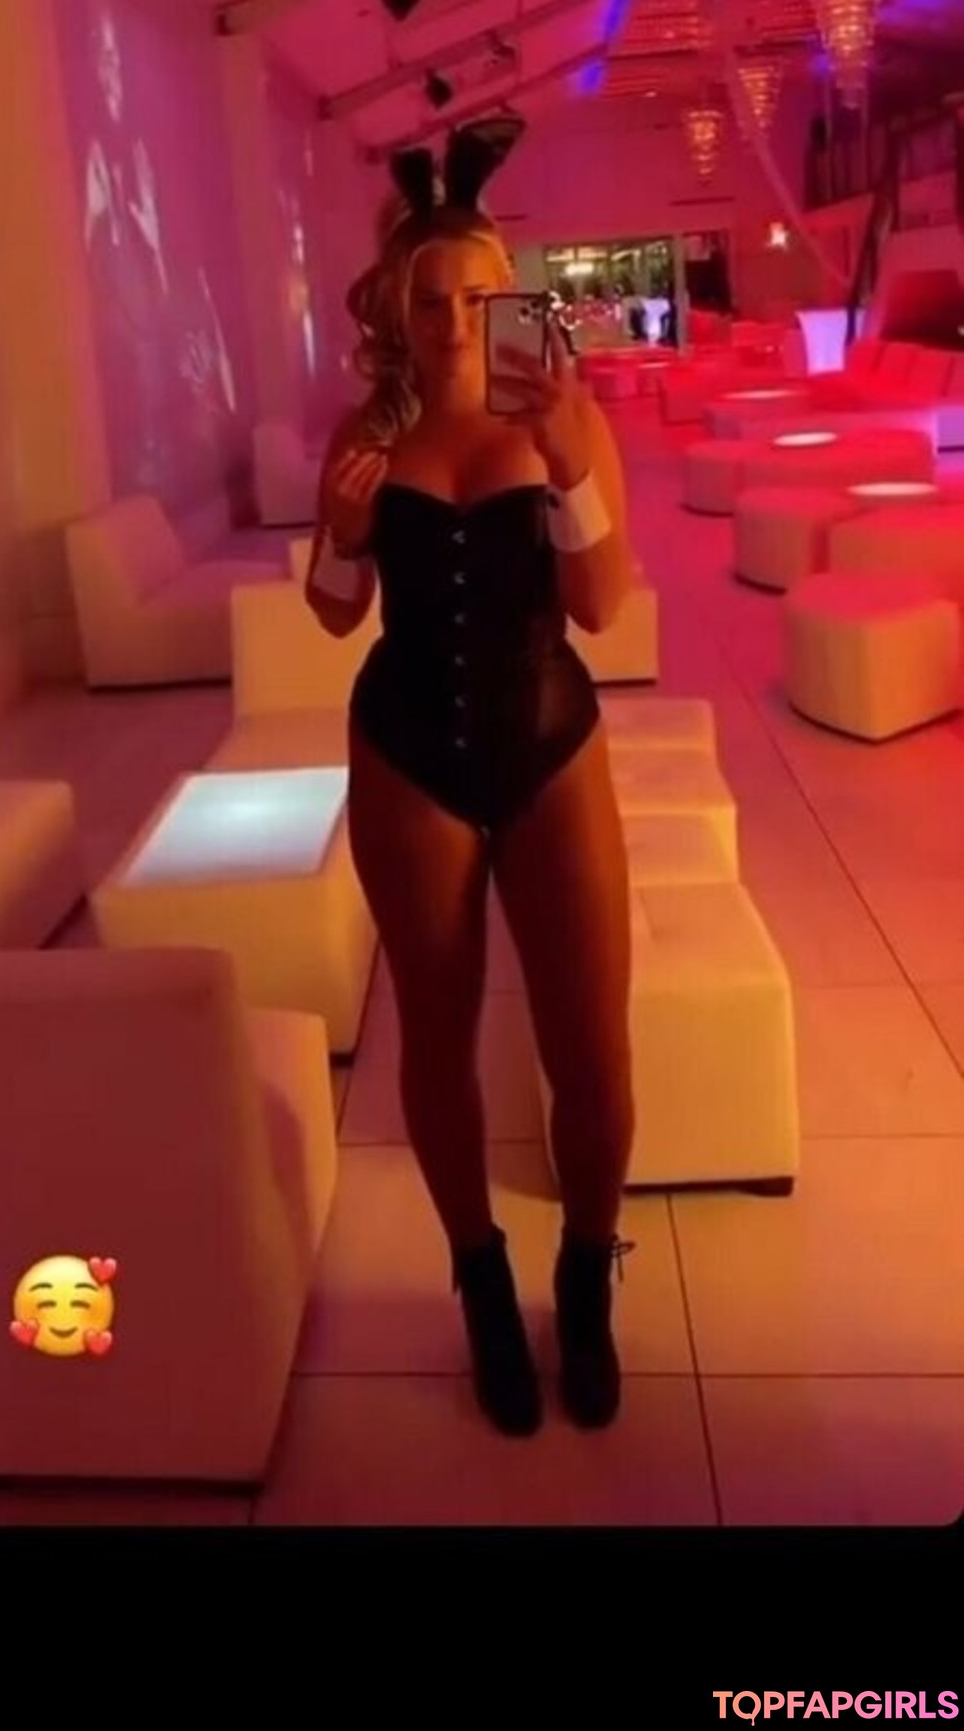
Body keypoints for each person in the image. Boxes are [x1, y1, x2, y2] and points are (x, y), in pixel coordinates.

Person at [303, 118, 635, 1437]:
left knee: (591, 1048)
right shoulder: (364, 428)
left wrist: (569, 464)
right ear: (397, 306)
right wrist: (339, 534)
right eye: (429, 298)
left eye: (474, 295)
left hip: (549, 736)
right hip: (406, 751)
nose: (450, 320)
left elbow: (602, 605)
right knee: (434, 1039)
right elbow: (338, 612)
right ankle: (482, 1278)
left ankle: (587, 1271)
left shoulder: (560, 415)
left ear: (509, 296)